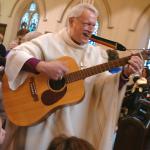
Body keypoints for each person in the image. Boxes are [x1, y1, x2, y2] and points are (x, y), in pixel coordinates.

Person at [1, 3, 143, 150]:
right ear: (71, 21)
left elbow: (103, 86)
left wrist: (124, 75)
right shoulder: (49, 41)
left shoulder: (96, 54)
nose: (91, 29)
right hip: (41, 123)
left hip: (76, 125)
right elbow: (15, 55)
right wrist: (42, 66)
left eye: (93, 25)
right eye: (87, 23)